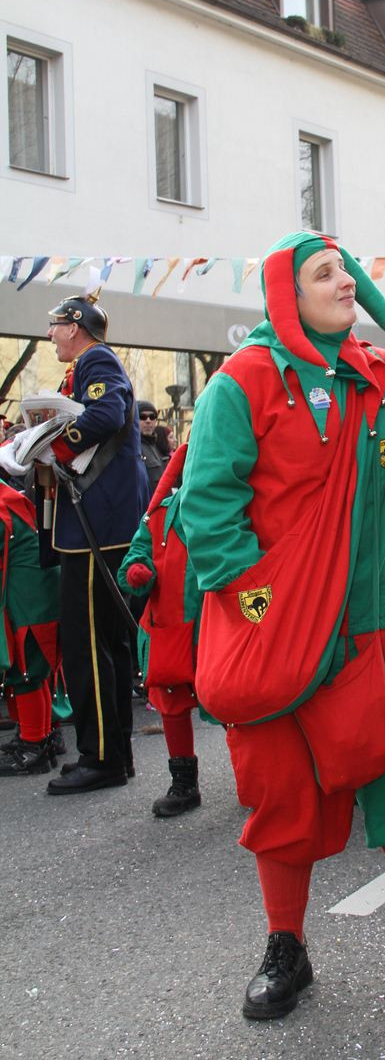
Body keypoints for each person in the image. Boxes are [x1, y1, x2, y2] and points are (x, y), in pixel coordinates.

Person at [178, 231, 385, 1023]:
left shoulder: (380, 373)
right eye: (324, 273)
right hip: (280, 630)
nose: (345, 282)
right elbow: (207, 507)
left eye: (345, 270)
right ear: (287, 294)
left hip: (375, 620)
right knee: (282, 794)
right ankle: (286, 947)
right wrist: (261, 601)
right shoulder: (243, 382)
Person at [40, 292, 148, 794]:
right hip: (99, 525)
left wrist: (47, 446)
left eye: (56, 325)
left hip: (95, 526)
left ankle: (101, 756)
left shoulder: (96, 358)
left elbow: (106, 414)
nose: (50, 334)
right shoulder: (86, 364)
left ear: (76, 325)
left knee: (88, 645)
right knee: (108, 643)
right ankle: (112, 752)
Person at [117, 443, 209, 816]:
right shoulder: (159, 515)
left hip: (215, 626)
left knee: (237, 704)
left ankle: (255, 782)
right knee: (171, 704)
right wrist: (138, 571)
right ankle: (184, 783)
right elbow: (133, 559)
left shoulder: (234, 505)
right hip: (169, 629)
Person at [0, 480, 63, 775]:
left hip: (29, 600)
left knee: (27, 671)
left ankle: (33, 745)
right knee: (31, 671)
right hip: (35, 594)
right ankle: (39, 736)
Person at [136, 401, 168, 496]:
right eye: (142, 417)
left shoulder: (156, 446)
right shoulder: (134, 448)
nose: (148, 420)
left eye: (152, 417)